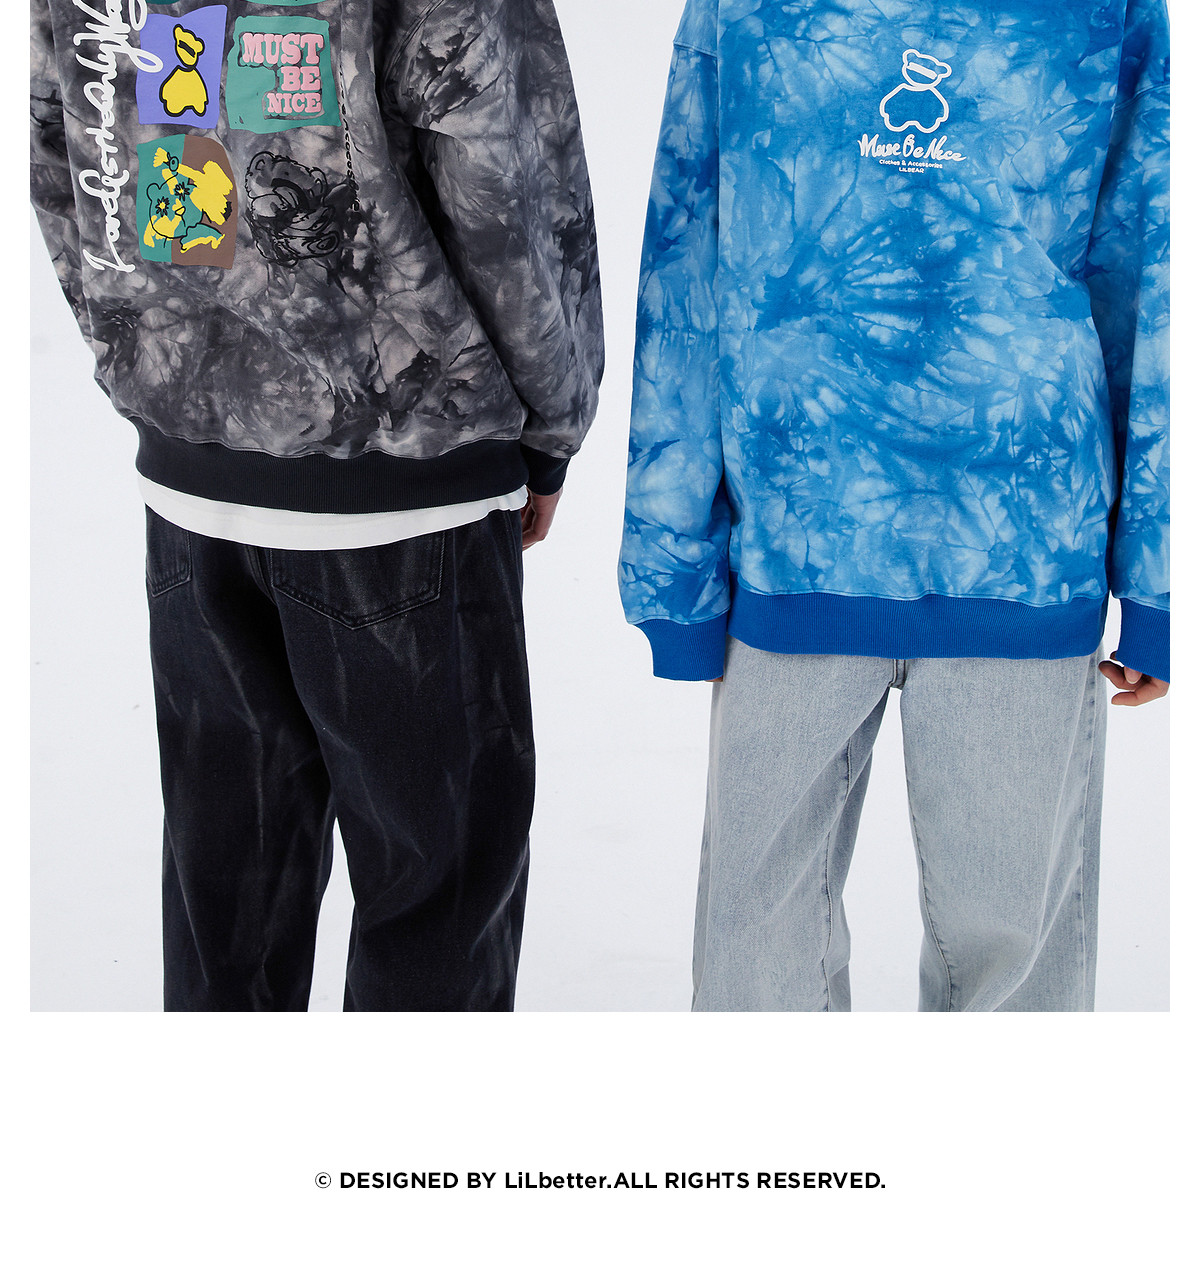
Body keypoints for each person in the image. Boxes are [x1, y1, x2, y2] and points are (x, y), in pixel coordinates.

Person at [30, 0, 603, 1012]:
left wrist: (146, 354)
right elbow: (506, 170)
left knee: (227, 916)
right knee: (435, 909)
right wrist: (550, 421)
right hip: (403, 490)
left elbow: (61, 141)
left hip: (193, 492)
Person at [620, 0, 1168, 1011]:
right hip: (798, 547)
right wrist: (672, 565)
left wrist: (1156, 583)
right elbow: (686, 258)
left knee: (1014, 979)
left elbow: (1147, 270)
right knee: (755, 964)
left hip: (1018, 551)